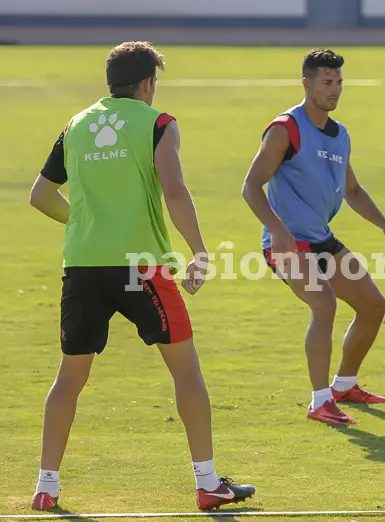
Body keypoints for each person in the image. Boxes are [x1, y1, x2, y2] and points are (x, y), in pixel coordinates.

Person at [28, 42, 255, 511]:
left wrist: (84, 224)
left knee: (70, 376)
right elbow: (174, 190)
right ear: (148, 83)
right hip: (142, 268)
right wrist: (199, 250)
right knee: (186, 370)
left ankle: (46, 487)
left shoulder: (76, 125)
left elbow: (40, 195)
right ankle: (207, 483)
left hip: (83, 266)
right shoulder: (158, 124)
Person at [242, 49, 385, 427]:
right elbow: (251, 186)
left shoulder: (340, 135)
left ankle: (344, 386)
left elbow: (352, 190)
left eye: (339, 83)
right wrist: (278, 229)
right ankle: (320, 401)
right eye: (327, 83)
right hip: (286, 243)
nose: (334, 90)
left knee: (373, 305)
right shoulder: (285, 129)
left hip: (320, 239)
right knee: (324, 304)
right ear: (307, 84)